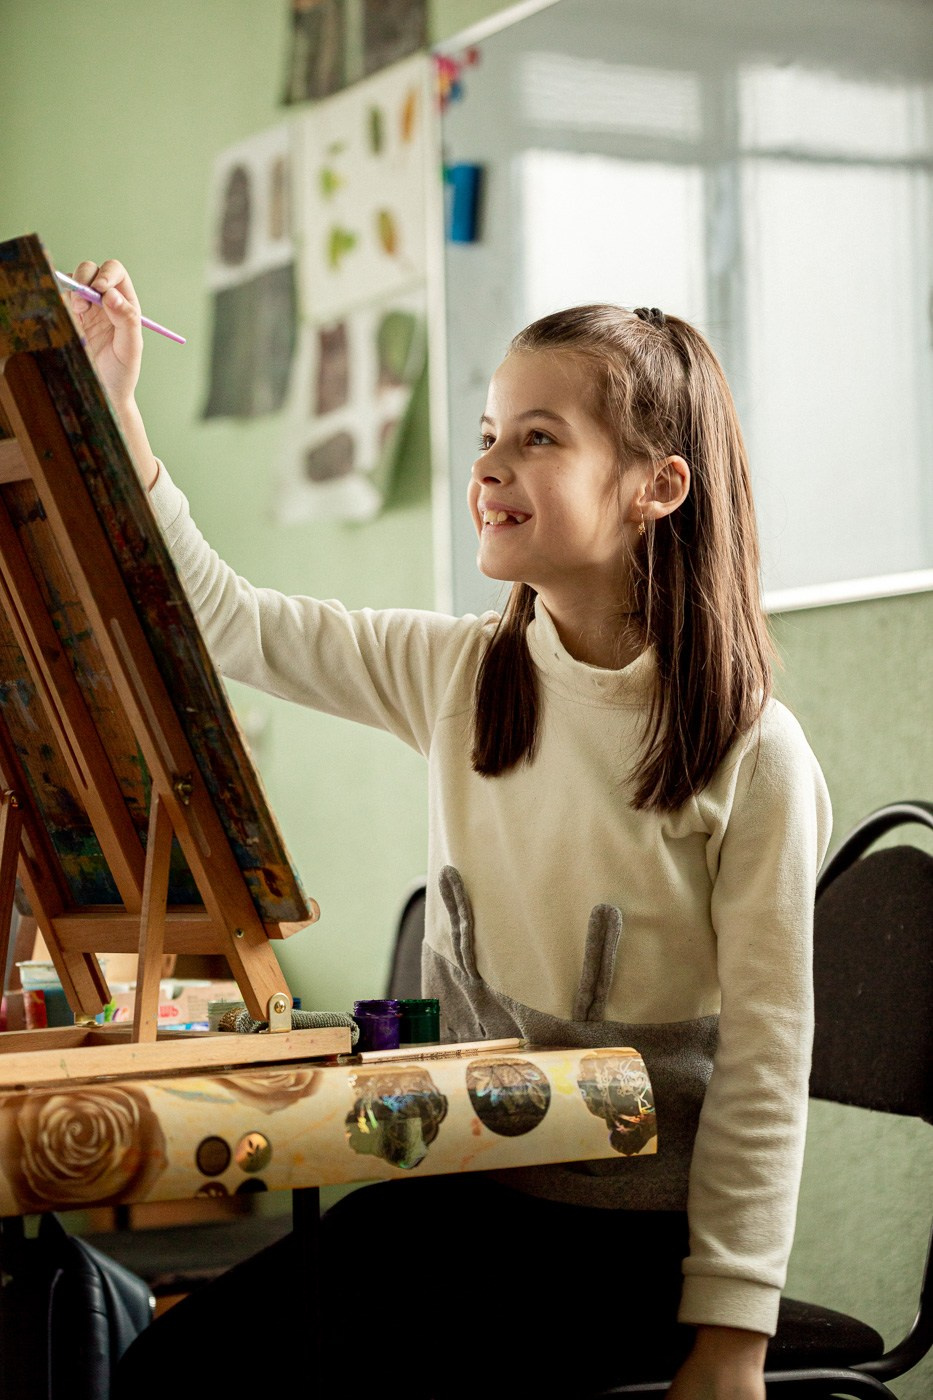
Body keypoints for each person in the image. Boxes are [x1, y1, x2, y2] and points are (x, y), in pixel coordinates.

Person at [70, 261, 831, 1400]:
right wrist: (118, 409)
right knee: (168, 1370)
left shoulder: (753, 752)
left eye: (536, 436)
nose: (487, 465)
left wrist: (731, 1338)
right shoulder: (458, 672)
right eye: (487, 433)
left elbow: (768, 1066)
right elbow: (223, 619)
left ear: (656, 486)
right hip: (458, 1187)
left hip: (627, 1246)